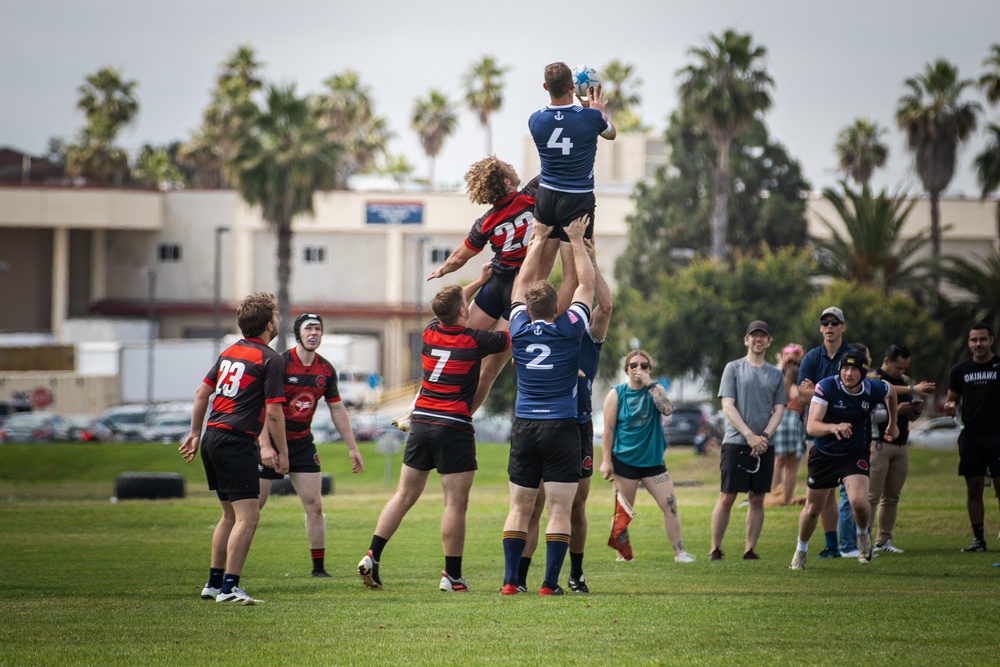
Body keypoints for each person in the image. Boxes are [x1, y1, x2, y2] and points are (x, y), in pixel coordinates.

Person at [358, 282, 510, 591]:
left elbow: (452, 304)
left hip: (421, 422)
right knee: (455, 504)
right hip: (452, 425)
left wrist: (478, 281)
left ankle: (372, 555)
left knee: (403, 496)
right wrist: (512, 305)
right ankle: (452, 576)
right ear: (463, 311)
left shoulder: (429, 333)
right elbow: (508, 337)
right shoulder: (472, 341)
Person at [500, 215, 594, 596]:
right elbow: (586, 284)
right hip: (561, 427)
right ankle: (549, 584)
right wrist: (573, 239)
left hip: (524, 425)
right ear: (557, 305)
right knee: (558, 509)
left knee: (520, 508)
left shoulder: (518, 328)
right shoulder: (569, 327)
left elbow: (520, 285)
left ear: (526, 307)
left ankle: (509, 582)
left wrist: (537, 240)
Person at [178, 292, 288, 605]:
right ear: (269, 324)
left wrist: (194, 433)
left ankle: (213, 584)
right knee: (248, 517)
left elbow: (202, 394)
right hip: (236, 440)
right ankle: (229, 588)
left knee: (229, 515)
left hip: (213, 436)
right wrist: (283, 453)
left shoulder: (230, 352)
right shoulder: (270, 358)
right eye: (276, 318)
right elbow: (276, 412)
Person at [519, 237, 613, 593]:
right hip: (547, 422)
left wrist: (589, 257)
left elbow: (604, 306)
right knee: (534, 504)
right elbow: (576, 286)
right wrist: (568, 245)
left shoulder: (583, 333)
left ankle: (574, 573)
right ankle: (524, 578)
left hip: (577, 425)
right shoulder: (552, 332)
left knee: (576, 504)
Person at [424, 156, 540, 415]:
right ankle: (462, 418)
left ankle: (418, 408)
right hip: (519, 290)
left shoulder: (486, 221)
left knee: (449, 345)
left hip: (494, 285)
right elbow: (558, 167)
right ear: (507, 181)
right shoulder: (532, 193)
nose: (512, 163)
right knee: (488, 369)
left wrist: (442, 269)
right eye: (507, 166)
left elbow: (458, 257)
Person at [257, 313, 364, 577]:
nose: (314, 333)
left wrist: (352, 447)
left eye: (318, 328)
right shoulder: (280, 363)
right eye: (308, 328)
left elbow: (337, 409)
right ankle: (225, 571)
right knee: (251, 507)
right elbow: (261, 407)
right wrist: (264, 446)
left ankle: (318, 569)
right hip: (270, 443)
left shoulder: (325, 369)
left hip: (302, 443)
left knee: (315, 505)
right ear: (298, 333)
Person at [789, 348, 898, 569]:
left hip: (854, 453)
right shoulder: (827, 386)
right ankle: (801, 549)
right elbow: (812, 425)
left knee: (859, 501)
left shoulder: (872, 388)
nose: (848, 374)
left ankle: (862, 537)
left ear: (863, 372)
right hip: (824, 455)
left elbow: (891, 391)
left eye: (855, 369)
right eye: (845, 368)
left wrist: (892, 423)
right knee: (812, 510)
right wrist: (833, 427)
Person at [600, 350, 697, 564]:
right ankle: (622, 556)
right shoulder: (616, 394)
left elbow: (668, 409)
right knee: (623, 511)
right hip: (624, 461)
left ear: (649, 369)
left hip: (653, 462)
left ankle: (680, 552)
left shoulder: (655, 390)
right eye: (633, 365)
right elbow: (607, 430)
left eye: (644, 365)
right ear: (626, 369)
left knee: (670, 505)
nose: (638, 369)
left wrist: (650, 384)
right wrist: (606, 461)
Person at [527, 61, 616, 277]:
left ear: (545, 87)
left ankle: (535, 309)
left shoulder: (535, 120)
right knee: (573, 275)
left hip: (547, 195)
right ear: (572, 86)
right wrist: (596, 112)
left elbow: (564, 122)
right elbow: (611, 133)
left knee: (541, 272)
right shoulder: (591, 118)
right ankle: (564, 312)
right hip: (577, 199)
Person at [710, 320, 786, 561]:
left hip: (765, 444)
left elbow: (780, 409)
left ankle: (749, 549)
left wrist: (763, 437)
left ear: (769, 341)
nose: (758, 339)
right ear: (746, 340)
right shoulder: (733, 368)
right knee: (727, 495)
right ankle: (715, 548)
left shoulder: (775, 374)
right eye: (754, 336)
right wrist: (749, 435)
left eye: (763, 336)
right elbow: (727, 405)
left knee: (757, 498)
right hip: (735, 442)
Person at [867, 344, 936, 554]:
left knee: (892, 497)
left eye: (905, 368)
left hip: (901, 445)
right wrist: (894, 411)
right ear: (886, 361)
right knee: (871, 497)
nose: (902, 373)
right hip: (879, 444)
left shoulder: (906, 383)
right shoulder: (871, 380)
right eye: (898, 368)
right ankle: (863, 540)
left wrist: (915, 410)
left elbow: (909, 413)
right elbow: (869, 413)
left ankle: (884, 541)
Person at [797, 306, 852, 558]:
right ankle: (833, 546)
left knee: (855, 494)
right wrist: (836, 391)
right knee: (825, 494)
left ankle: (856, 543)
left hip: (851, 433)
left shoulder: (851, 356)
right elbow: (802, 395)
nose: (829, 327)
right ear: (821, 328)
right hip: (819, 433)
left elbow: (857, 390)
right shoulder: (811, 357)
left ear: (843, 326)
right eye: (825, 323)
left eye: (834, 323)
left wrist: (818, 390)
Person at [944, 322, 1000, 552]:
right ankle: (979, 539)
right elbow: (952, 400)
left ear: (991, 341)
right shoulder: (960, 370)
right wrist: (950, 406)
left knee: (999, 483)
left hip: (998, 432)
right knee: (974, 487)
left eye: (983, 339)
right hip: (972, 434)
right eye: (974, 340)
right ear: (969, 343)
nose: (978, 344)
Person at [771, 361, 806, 505]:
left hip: (779, 420)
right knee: (791, 464)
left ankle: (774, 493)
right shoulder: (795, 387)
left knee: (778, 461)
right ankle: (786, 499)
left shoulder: (781, 388)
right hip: (792, 420)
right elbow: (798, 396)